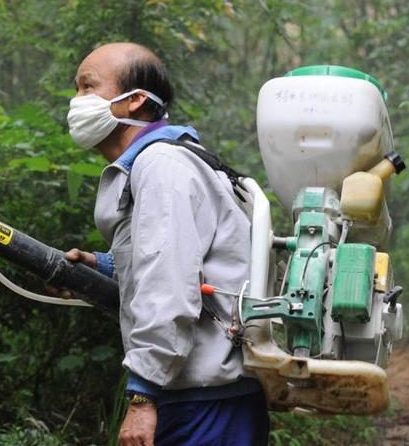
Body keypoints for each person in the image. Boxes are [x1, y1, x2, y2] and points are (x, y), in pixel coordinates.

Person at [64, 42, 269, 446]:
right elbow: (174, 259)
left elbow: (169, 285)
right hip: (209, 399)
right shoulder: (164, 162)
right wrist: (102, 266)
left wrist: (141, 396)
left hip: (203, 405)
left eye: (88, 87)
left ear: (135, 100)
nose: (76, 101)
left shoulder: (162, 166)